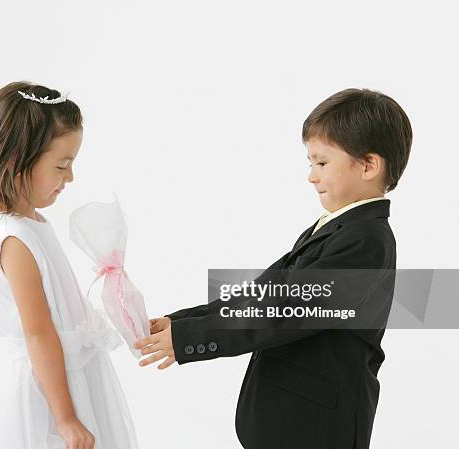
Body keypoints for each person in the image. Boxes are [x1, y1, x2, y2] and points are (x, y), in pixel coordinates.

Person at [135, 88, 412, 449]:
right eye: (310, 163)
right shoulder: (332, 229)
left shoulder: (366, 242)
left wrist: (192, 339)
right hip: (291, 422)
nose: (312, 176)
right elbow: (264, 295)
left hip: (317, 428)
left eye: (322, 163)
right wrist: (182, 323)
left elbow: (281, 310)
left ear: (368, 165)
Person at [0, 81, 139, 449]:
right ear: (16, 160)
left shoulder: (33, 225)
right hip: (40, 394)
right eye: (62, 165)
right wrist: (66, 418)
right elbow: (39, 334)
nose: (70, 178)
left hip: (63, 375)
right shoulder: (14, 240)